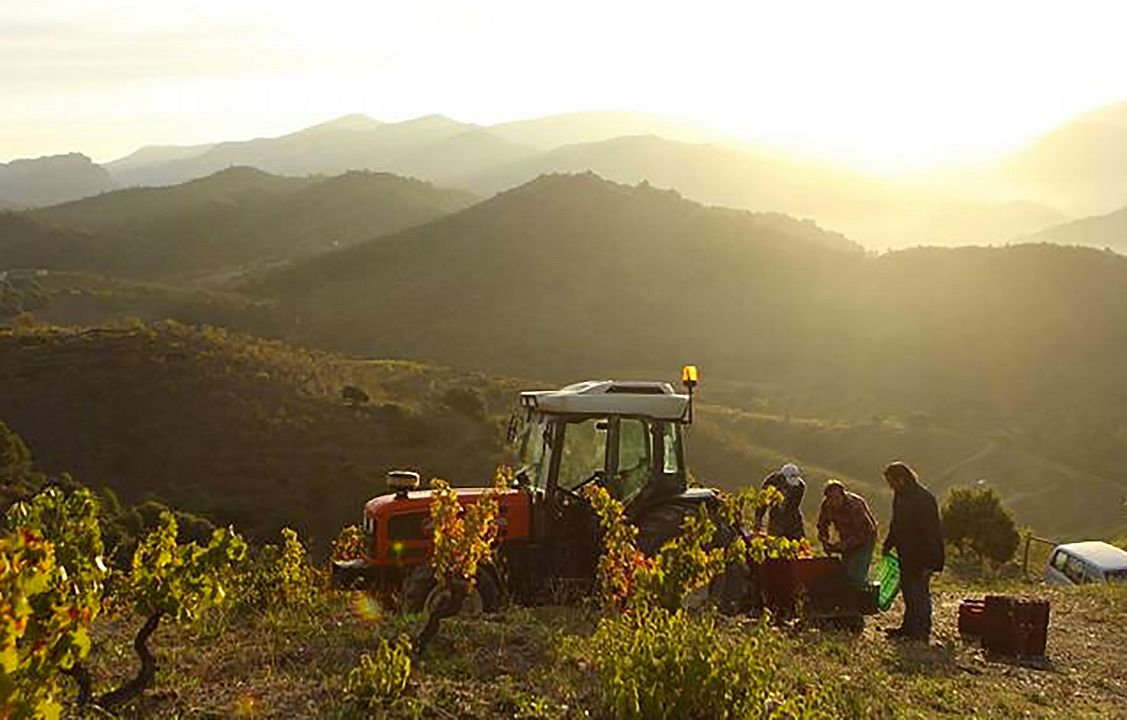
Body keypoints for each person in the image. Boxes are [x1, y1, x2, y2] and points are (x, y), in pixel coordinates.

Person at [881, 461, 945, 642]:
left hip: (922, 556)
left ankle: (922, 631)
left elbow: (932, 532)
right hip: (906, 554)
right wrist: (888, 543)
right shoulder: (900, 497)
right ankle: (908, 628)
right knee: (909, 593)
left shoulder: (924, 499)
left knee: (919, 594)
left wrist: (933, 563)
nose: (890, 486)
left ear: (901, 479)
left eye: (891, 481)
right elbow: (896, 524)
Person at [817, 479, 877, 588]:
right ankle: (849, 600)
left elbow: (867, 531)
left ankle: (865, 598)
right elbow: (822, 525)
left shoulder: (854, 506)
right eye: (830, 499)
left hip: (866, 538)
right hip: (846, 537)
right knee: (845, 573)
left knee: (856, 575)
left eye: (836, 498)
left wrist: (845, 544)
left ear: (842, 495)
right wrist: (824, 540)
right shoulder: (826, 505)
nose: (834, 502)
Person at [754, 462, 806, 540]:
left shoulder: (800, 486)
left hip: (794, 520)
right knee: (775, 543)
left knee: (800, 547)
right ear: (782, 477)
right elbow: (762, 503)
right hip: (776, 519)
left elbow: (792, 506)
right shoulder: (771, 483)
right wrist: (758, 519)